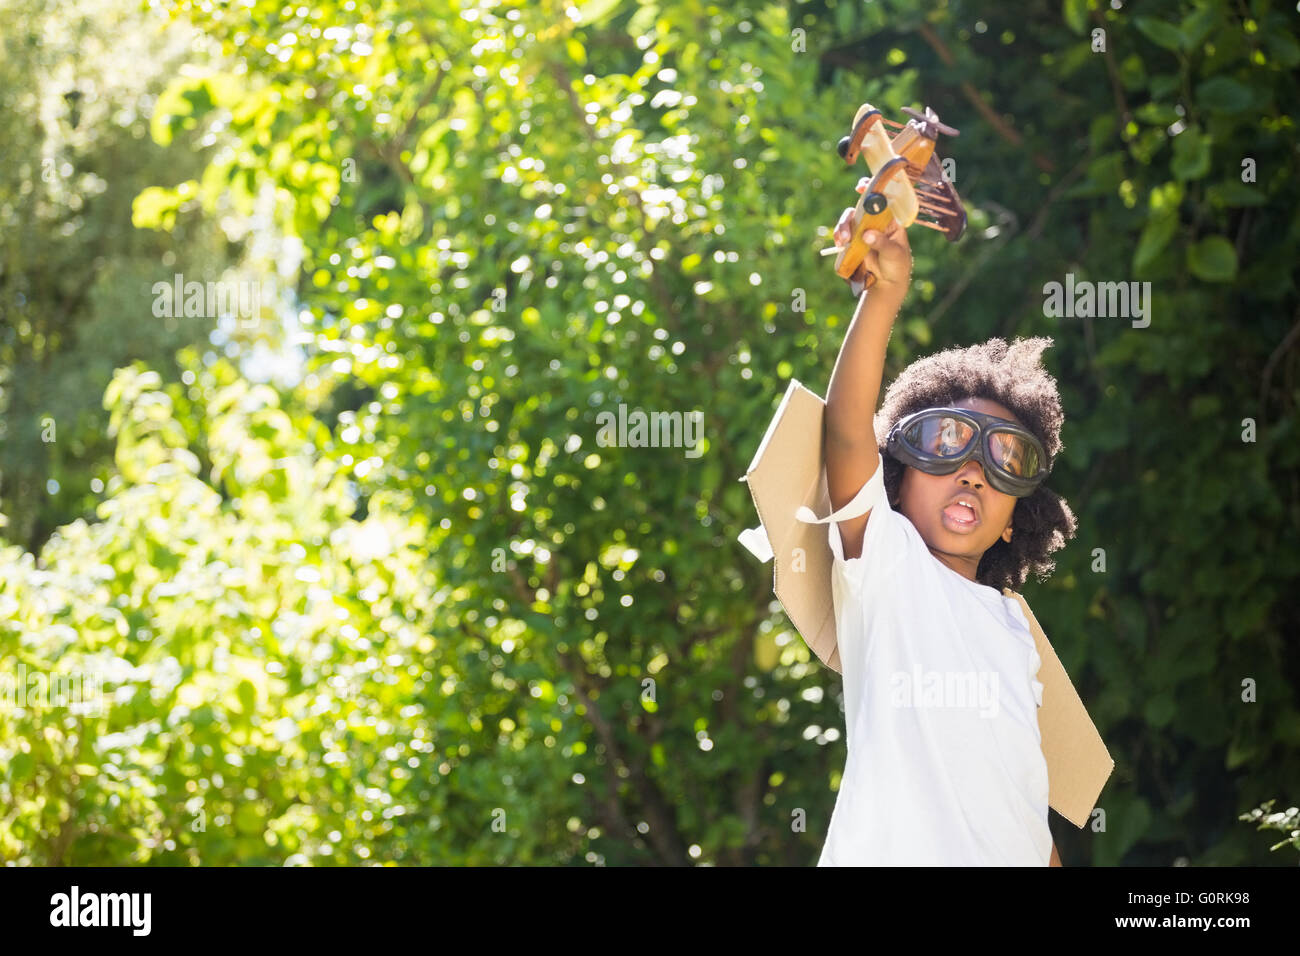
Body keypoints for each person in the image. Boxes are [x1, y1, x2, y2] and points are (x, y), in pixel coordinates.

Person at [811, 181, 1078, 865]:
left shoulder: (1014, 627)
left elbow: (1018, 788)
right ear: (895, 480)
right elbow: (843, 435)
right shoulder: (889, 566)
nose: (972, 472)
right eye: (943, 443)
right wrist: (884, 294)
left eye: (1004, 460)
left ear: (1018, 520)